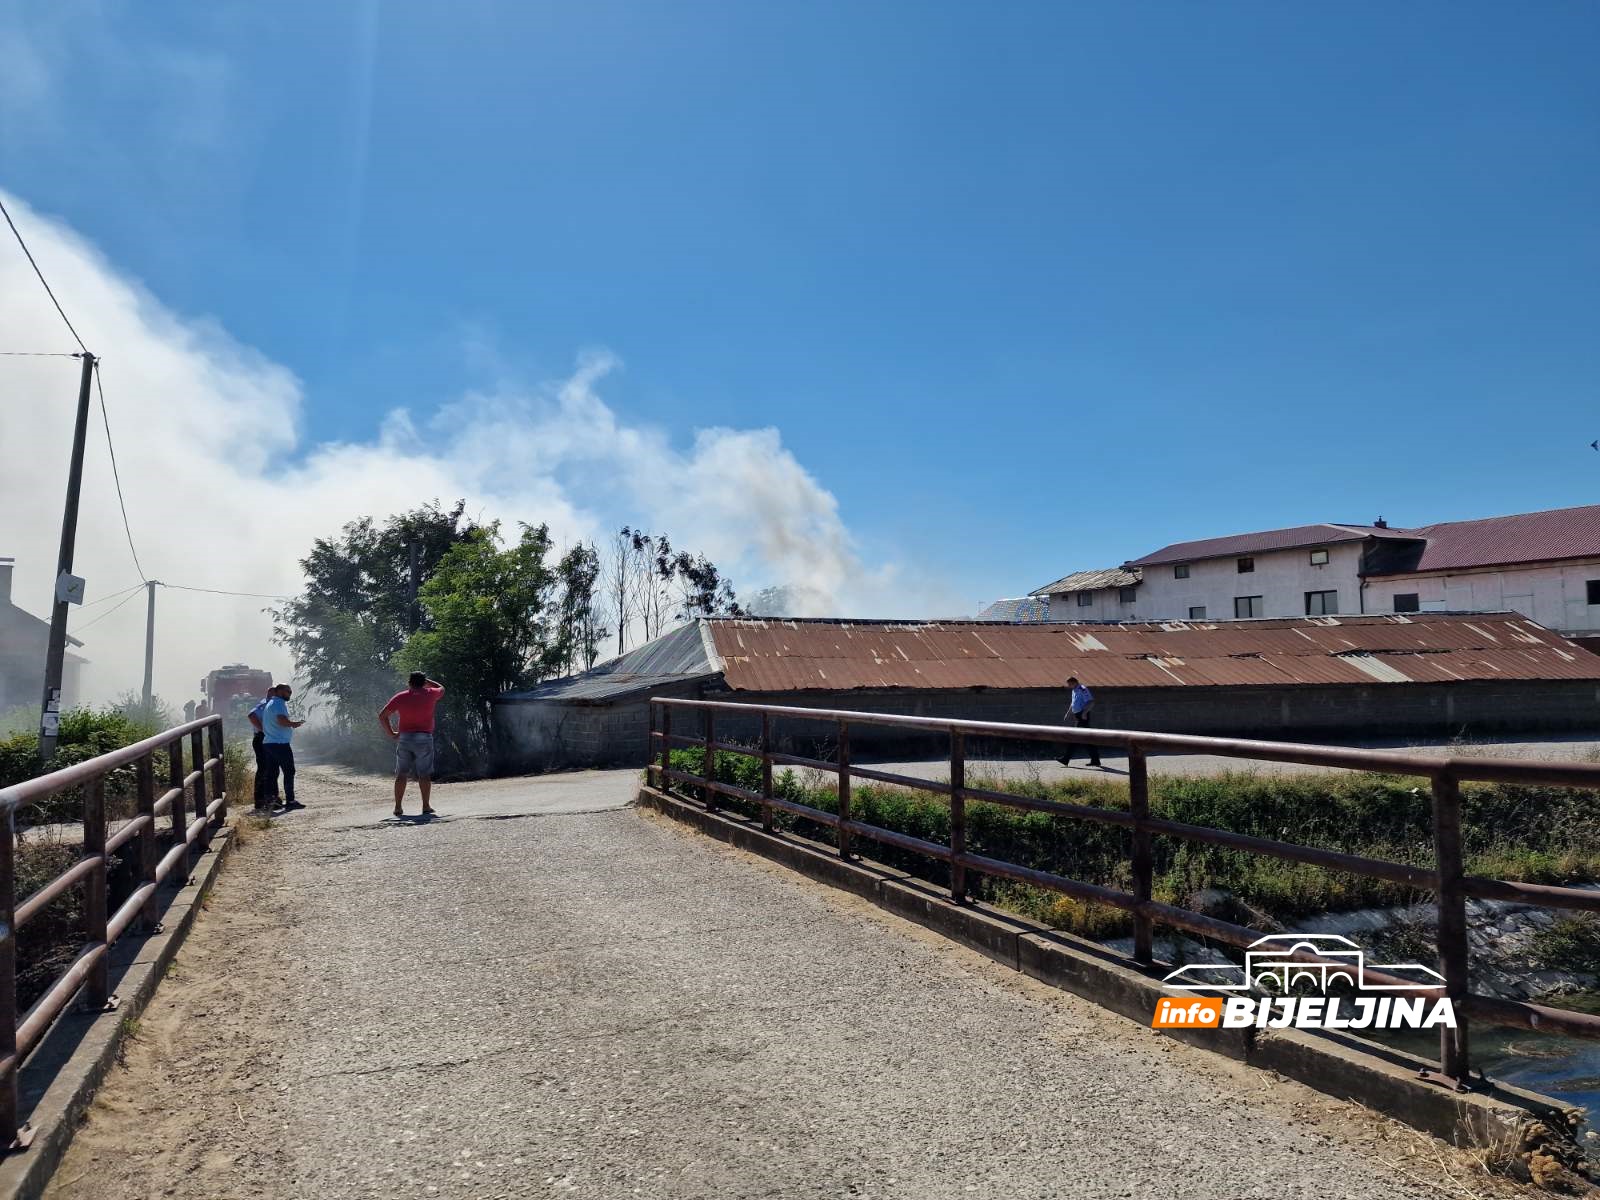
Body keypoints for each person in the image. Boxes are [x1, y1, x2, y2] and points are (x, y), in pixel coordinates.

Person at [379, 673, 445, 818]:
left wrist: (391, 733)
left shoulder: (400, 697)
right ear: (423, 683)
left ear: (409, 683)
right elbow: (441, 688)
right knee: (424, 773)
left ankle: (398, 807)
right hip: (424, 738)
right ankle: (426, 806)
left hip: (405, 738)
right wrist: (428, 681)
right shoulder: (431, 694)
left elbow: (382, 715)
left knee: (402, 773)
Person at [259, 684, 305, 811]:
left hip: (269, 743)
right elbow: (281, 720)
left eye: (290, 691)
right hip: (279, 744)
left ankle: (270, 800)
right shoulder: (278, 703)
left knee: (272, 773)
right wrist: (293, 724)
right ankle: (290, 800)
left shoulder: (270, 703)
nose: (289, 694)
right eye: (287, 691)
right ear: (279, 691)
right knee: (289, 771)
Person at [1059, 676, 1102, 769]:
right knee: (1087, 738)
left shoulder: (1083, 689)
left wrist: (1084, 713)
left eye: (1070, 684)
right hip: (1078, 716)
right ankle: (1095, 760)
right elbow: (1073, 702)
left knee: (1075, 737)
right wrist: (1068, 713)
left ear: (1074, 682)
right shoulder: (1074, 690)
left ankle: (1065, 759)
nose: (1069, 686)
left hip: (1083, 716)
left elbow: (1091, 702)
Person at [247, 691, 274, 811]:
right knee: (264, 768)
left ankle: (270, 797)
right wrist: (264, 730)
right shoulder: (266, 705)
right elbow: (252, 715)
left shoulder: (270, 704)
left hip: (267, 738)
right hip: (262, 738)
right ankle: (260, 799)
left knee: (271, 768)